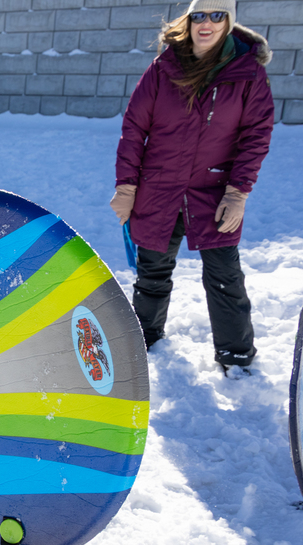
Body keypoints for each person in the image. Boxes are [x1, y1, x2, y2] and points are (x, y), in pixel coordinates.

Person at [110, 0, 273, 373]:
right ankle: (144, 339)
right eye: (198, 15)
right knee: (152, 272)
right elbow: (134, 129)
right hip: (159, 188)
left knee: (225, 276)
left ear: (228, 22)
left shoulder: (248, 72)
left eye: (217, 15)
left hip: (215, 192)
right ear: (188, 21)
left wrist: (238, 193)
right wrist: (127, 186)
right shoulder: (162, 68)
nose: (206, 23)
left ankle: (235, 355)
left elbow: (256, 136)